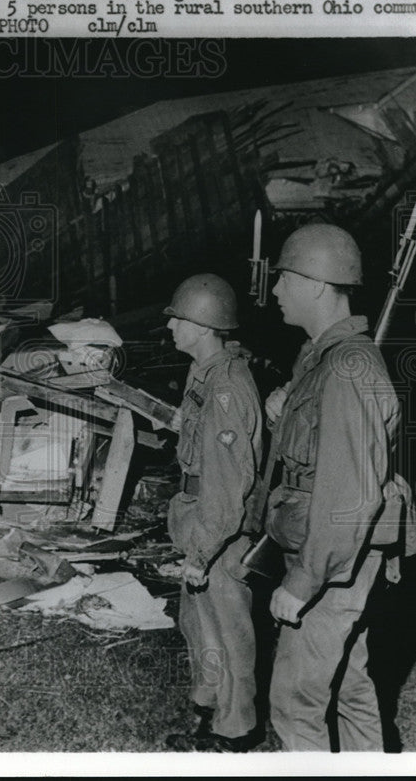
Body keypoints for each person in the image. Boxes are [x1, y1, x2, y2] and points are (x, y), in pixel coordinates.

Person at [261, 224, 399, 751]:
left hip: (332, 560)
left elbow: (348, 498)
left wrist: (303, 581)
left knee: (296, 707)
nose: (275, 291)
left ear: (317, 284)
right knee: (349, 688)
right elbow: (322, 450)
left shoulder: (346, 366)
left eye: (284, 279)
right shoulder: (320, 358)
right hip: (336, 556)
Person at [162, 274, 264, 753]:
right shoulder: (205, 372)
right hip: (200, 516)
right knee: (201, 625)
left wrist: (202, 553)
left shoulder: (225, 388)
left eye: (177, 319)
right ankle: (209, 710)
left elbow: (227, 487)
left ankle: (235, 731)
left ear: (202, 326)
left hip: (219, 530)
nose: (170, 328)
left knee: (227, 631)